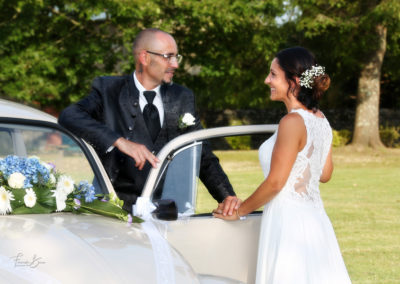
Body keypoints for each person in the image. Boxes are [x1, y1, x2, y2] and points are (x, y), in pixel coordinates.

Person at [58, 28, 239, 214]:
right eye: (168, 56)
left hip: (169, 214)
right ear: (144, 58)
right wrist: (120, 142)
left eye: (177, 57)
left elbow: (202, 154)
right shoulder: (109, 90)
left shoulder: (182, 97)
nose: (175, 64)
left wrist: (227, 197)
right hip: (115, 213)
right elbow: (69, 116)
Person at [213, 47, 351, 283]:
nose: (267, 80)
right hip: (315, 220)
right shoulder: (320, 119)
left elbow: (276, 182)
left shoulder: (291, 122)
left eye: (273, 75)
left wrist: (240, 211)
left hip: (288, 222)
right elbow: (325, 173)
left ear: (294, 81)